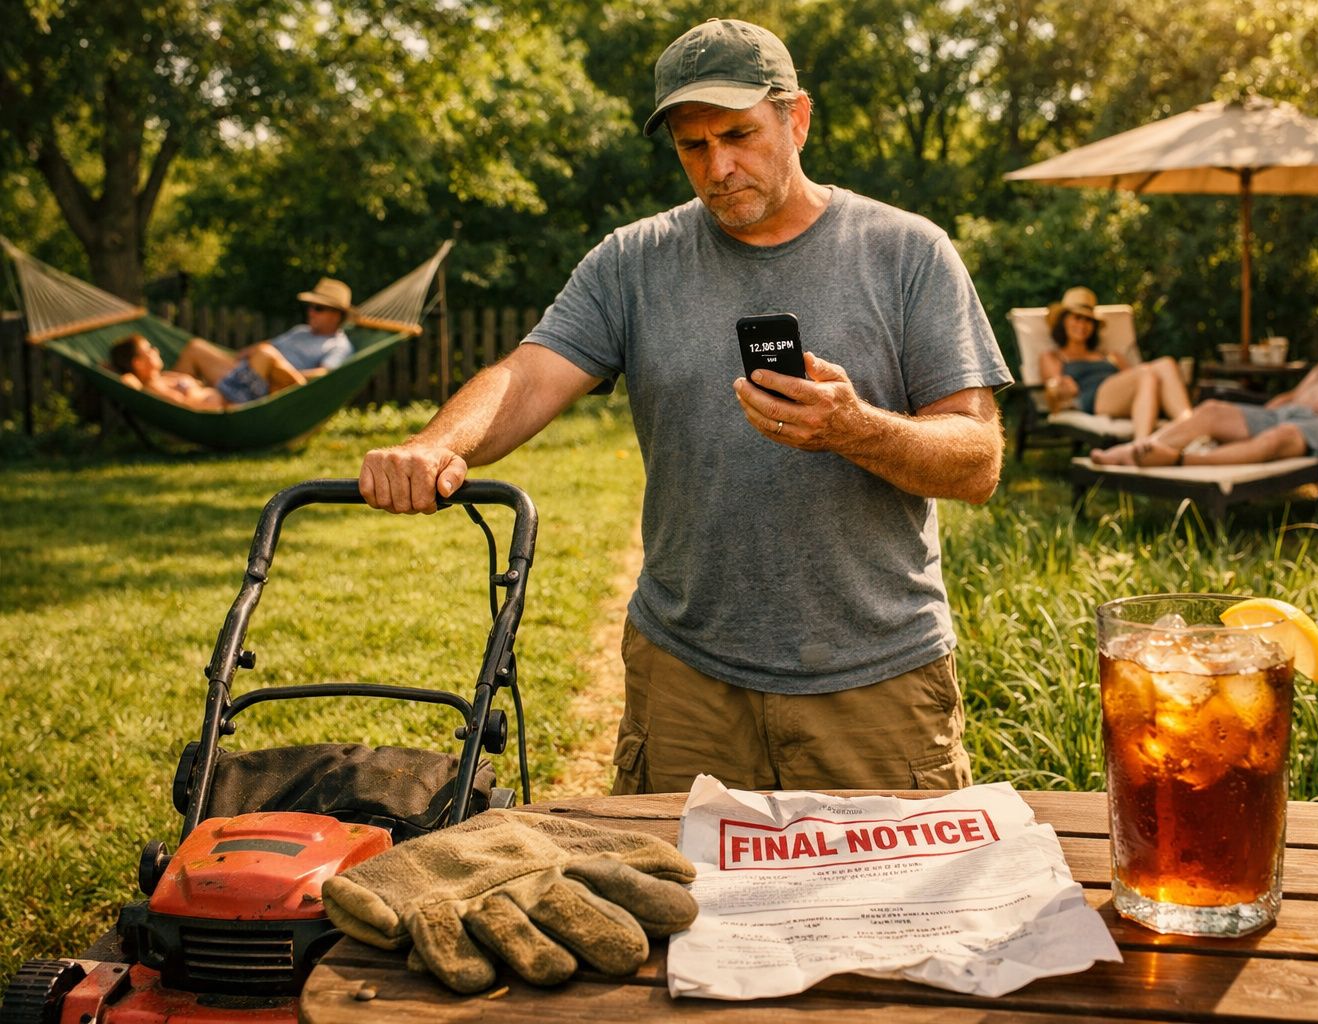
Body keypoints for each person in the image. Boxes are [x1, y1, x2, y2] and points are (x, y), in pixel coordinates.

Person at [359, 18, 1013, 796]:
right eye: (693, 146)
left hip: (874, 681)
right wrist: (439, 444)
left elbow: (977, 461)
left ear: (796, 117)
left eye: (740, 135)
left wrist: (852, 428)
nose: (720, 166)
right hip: (687, 680)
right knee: (675, 910)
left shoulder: (908, 252)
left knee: (887, 914)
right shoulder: (633, 261)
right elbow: (530, 375)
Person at [1091, 290, 1318, 467]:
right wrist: (1272, 407)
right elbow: (1298, 392)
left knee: (1280, 437)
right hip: (1286, 415)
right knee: (1211, 409)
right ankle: (1133, 450)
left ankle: (1180, 460)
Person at [1040, 286, 1192, 440]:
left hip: (1125, 396)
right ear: (1063, 321)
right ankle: (1142, 445)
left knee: (1166, 363)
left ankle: (1188, 424)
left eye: (1088, 320)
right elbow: (1054, 386)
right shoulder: (1054, 356)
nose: (1082, 325)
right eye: (1077, 318)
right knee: (1146, 374)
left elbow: (1133, 379)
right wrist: (1061, 388)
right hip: (1095, 398)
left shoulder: (1110, 355)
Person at [172, 277, 355, 405]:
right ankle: (166, 397)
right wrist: (236, 357)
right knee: (195, 348)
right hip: (248, 373)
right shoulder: (300, 331)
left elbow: (325, 375)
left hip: (276, 388)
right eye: (310, 307)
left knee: (265, 354)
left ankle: (210, 403)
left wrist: (276, 371)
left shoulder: (339, 345)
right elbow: (266, 346)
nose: (311, 312)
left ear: (337, 315)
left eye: (318, 308)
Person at [109, 333, 229, 410]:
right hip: (228, 406)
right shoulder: (152, 388)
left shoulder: (165, 376)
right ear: (138, 363)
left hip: (227, 394)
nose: (155, 350)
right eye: (149, 350)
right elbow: (183, 406)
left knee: (196, 346)